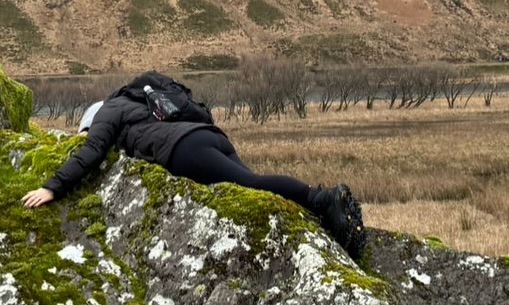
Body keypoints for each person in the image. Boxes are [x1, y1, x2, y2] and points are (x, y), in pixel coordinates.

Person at [20, 70, 367, 260]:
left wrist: (53, 186)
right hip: (210, 136)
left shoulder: (110, 111)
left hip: (184, 150)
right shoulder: (144, 105)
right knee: (253, 183)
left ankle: (323, 199)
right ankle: (326, 218)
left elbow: (93, 151)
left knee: (251, 187)